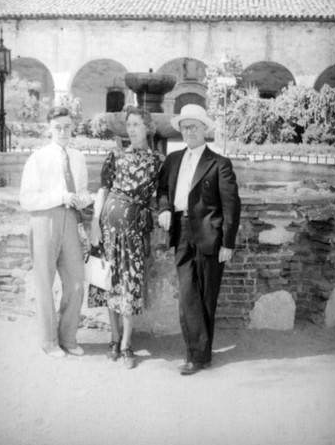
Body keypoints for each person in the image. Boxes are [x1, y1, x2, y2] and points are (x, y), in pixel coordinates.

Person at [157, 104, 241, 375]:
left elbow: (231, 206)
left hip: (210, 236)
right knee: (187, 294)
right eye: (184, 127)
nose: (189, 131)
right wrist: (165, 209)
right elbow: (161, 190)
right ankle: (196, 354)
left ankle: (200, 354)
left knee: (206, 296)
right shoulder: (172, 160)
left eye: (194, 126)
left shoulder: (219, 164)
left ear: (205, 129)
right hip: (180, 232)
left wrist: (228, 243)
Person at [89, 106, 163, 369]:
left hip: (133, 230)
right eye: (129, 124)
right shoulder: (116, 155)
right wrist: (94, 223)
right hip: (109, 227)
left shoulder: (157, 161)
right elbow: (102, 189)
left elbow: (160, 197)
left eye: (137, 125)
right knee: (110, 282)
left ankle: (127, 344)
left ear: (148, 129)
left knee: (131, 284)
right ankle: (114, 337)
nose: (131, 129)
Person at [20, 107, 93, 358]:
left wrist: (82, 199)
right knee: (44, 283)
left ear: (73, 127)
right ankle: (49, 341)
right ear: (49, 129)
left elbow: (82, 189)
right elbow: (27, 199)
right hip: (44, 220)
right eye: (57, 127)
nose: (62, 131)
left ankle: (68, 337)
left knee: (75, 283)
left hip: (70, 219)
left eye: (67, 126)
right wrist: (59, 196)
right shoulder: (38, 158)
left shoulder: (79, 157)